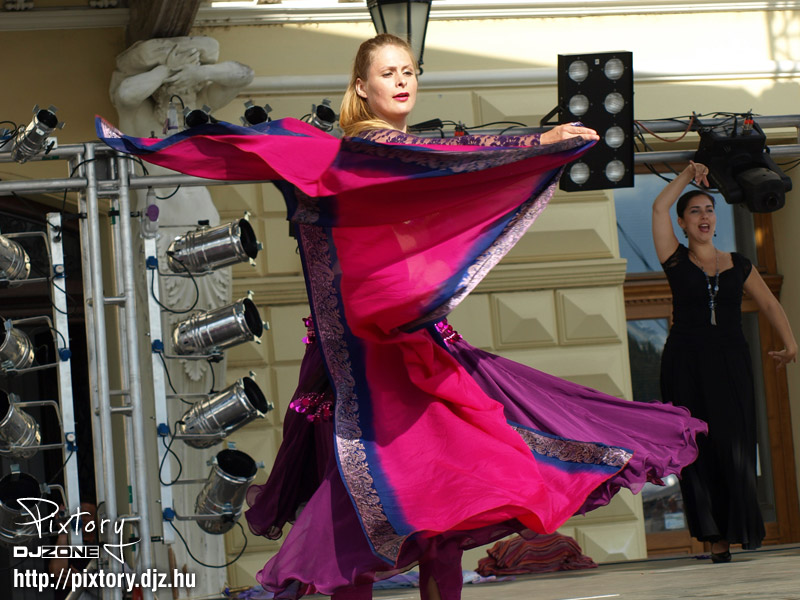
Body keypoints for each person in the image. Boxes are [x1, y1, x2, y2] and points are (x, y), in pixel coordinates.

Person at [97, 33, 706, 600]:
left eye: (409, 71)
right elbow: (255, 149)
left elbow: (445, 162)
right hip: (359, 364)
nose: (401, 81)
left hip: (412, 351)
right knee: (365, 516)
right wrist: (533, 143)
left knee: (438, 516)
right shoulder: (358, 154)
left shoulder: (409, 164)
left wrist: (532, 148)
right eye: (388, 73)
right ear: (361, 87)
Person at [651, 160, 797, 562]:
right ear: (683, 223)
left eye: (709, 210)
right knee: (698, 449)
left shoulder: (739, 264)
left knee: (735, 445)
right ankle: (715, 537)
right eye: (695, 211)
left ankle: (738, 529)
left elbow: (769, 303)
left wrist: (790, 343)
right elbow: (658, 207)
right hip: (686, 364)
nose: (704, 216)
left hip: (731, 363)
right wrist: (686, 174)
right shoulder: (675, 259)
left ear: (716, 219)